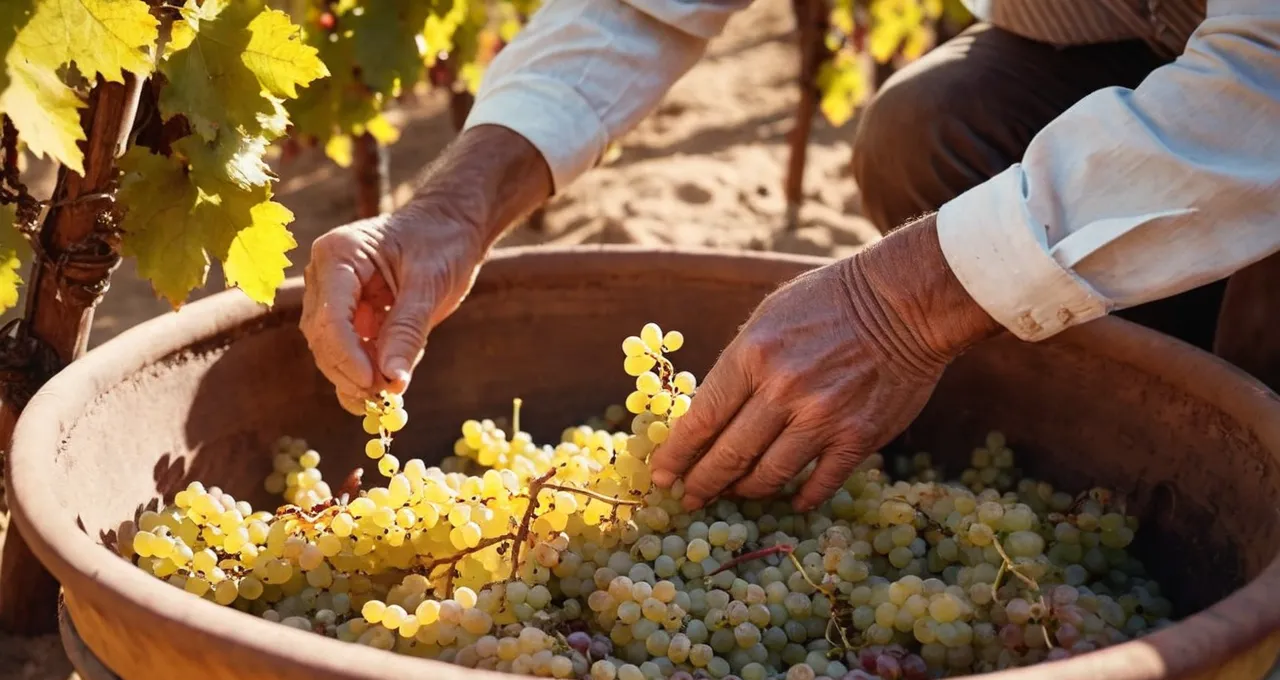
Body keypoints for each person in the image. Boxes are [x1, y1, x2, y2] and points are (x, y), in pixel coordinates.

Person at [301, 0, 1279, 514]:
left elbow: (1263, 79)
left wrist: (896, 308)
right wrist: (449, 211)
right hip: (1152, 34)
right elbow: (640, 4)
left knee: (1262, 319)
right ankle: (1117, 436)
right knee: (932, 133)